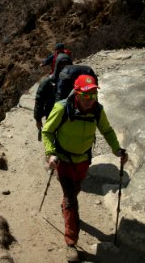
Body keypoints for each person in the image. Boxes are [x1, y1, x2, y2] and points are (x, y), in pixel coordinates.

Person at [41, 74, 129, 262]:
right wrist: (50, 153)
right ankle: (71, 242)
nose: (90, 101)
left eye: (94, 96)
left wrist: (117, 149)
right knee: (71, 199)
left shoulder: (97, 110)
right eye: (86, 96)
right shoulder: (62, 108)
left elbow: (106, 130)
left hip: (83, 160)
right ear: (77, 93)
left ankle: (66, 206)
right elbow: (47, 131)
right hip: (63, 161)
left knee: (76, 189)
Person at [34, 53, 72, 132]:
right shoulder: (48, 82)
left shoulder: (75, 81)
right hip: (52, 115)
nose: (64, 68)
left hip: (70, 117)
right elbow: (39, 101)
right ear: (57, 66)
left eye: (66, 66)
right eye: (62, 66)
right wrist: (38, 119)